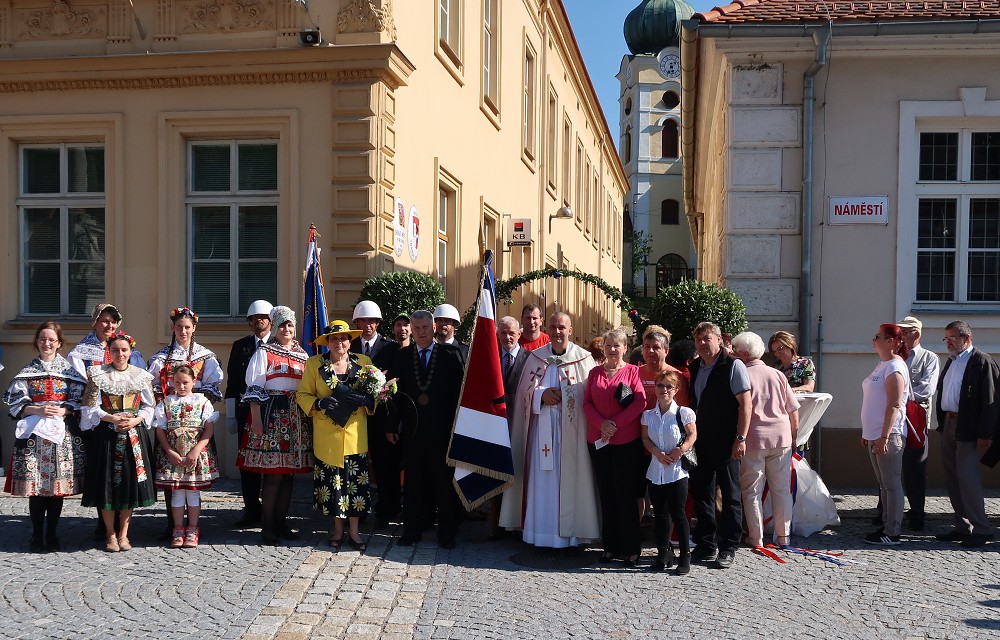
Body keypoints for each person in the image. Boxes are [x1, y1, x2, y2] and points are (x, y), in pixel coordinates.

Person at [500, 312, 599, 548]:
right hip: (539, 433)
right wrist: (540, 395)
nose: (556, 332)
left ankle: (571, 537)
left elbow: (590, 395)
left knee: (570, 481)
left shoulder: (583, 359)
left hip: (571, 437)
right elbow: (524, 393)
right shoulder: (536, 358)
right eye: (553, 327)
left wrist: (565, 394)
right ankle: (538, 532)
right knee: (540, 481)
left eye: (561, 328)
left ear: (570, 330)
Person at [3, 322, 88, 552]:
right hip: (34, 438)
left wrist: (64, 410)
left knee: (56, 488)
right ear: (37, 342)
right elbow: (15, 402)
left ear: (59, 343)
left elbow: (80, 400)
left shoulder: (70, 373)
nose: (47, 343)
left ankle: (52, 533)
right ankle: (37, 534)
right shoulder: (28, 372)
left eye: (52, 339)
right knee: (37, 487)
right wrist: (37, 410)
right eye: (43, 338)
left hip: (61, 437)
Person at [299, 320, 379, 552]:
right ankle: (337, 530)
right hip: (327, 438)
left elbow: (375, 395)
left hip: (355, 436)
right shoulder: (314, 364)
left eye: (343, 338)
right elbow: (302, 395)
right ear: (327, 342)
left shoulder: (364, 363)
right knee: (334, 487)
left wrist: (368, 401)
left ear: (350, 340)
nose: (339, 343)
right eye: (334, 339)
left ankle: (354, 532)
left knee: (354, 488)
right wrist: (319, 402)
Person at [389, 310, 466, 548]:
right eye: (417, 328)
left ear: (434, 328)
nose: (421, 332)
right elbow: (394, 396)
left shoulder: (450, 355)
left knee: (443, 483)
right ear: (411, 330)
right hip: (412, 431)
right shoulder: (402, 357)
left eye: (425, 328)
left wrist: (458, 427)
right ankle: (411, 530)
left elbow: (458, 395)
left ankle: (447, 532)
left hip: (442, 430)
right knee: (413, 483)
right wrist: (392, 425)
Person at [237, 306, 312, 546]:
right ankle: (267, 527)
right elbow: (255, 386)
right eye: (282, 325)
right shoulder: (264, 352)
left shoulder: (303, 355)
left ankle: (281, 523)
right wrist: (256, 418)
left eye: (290, 325)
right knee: (273, 476)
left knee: (288, 475)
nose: (287, 329)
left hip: (296, 417)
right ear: (274, 327)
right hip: (272, 415)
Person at [147, 306, 224, 535]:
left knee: (192, 478)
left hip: (195, 424)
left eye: (187, 327)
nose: (183, 331)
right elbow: (151, 387)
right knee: (170, 477)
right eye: (179, 327)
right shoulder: (162, 357)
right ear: (173, 328)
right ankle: (173, 525)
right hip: (169, 422)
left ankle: (192, 526)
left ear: (194, 329)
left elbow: (212, 386)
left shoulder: (204, 356)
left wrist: (195, 404)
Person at [80, 332, 157, 552]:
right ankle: (110, 534)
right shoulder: (97, 374)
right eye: (115, 350)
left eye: (124, 350)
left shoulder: (141, 375)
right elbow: (89, 408)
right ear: (109, 352)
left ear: (130, 352)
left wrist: (136, 420)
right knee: (107, 482)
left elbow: (149, 407)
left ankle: (124, 534)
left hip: (133, 434)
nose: (120, 354)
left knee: (129, 483)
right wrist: (112, 418)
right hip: (107, 435)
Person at [688, 322, 751, 569]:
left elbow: (746, 405)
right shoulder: (695, 367)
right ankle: (705, 543)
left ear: (718, 339)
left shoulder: (733, 365)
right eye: (698, 340)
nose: (703, 344)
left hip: (727, 441)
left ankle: (728, 546)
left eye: (707, 339)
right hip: (700, 441)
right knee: (702, 493)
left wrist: (741, 437)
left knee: (730, 495)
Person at [731, 332, 800, 549]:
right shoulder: (777, 374)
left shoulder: (740, 375)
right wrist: (794, 437)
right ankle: (783, 536)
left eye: (735, 350)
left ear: (743, 353)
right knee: (781, 489)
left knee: (752, 490)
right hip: (781, 437)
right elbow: (793, 410)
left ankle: (756, 537)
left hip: (753, 439)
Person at [583, 327, 646, 565]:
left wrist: (615, 424)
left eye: (616, 345)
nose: (612, 350)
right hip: (599, 441)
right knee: (606, 494)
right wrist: (601, 425)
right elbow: (587, 403)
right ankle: (610, 545)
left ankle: (631, 547)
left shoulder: (633, 372)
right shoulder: (594, 373)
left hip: (625, 441)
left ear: (625, 348)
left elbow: (639, 401)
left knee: (625, 495)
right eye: (608, 345)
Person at [934, 321, 999, 548]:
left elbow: (991, 401)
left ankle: (982, 528)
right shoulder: (952, 361)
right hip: (949, 424)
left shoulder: (981, 361)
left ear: (966, 339)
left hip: (969, 428)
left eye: (953, 338)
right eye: (947, 338)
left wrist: (985, 433)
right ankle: (963, 525)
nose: (949, 342)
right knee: (953, 477)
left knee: (967, 478)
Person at [873, 316, 939, 531]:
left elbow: (926, 389)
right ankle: (885, 513)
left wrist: (901, 396)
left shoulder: (929, 358)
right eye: (896, 332)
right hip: (892, 421)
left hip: (915, 421)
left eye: (904, 332)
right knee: (888, 471)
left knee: (915, 467)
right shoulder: (889, 358)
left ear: (916, 334)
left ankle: (917, 513)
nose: (898, 336)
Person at [154, 365, 220, 549]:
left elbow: (208, 430)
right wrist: (169, 451)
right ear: (172, 382)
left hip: (194, 454)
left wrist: (197, 450)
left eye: (185, 382)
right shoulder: (166, 403)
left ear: (194, 382)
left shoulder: (203, 402)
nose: (181, 386)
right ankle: (177, 528)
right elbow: (160, 430)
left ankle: (192, 528)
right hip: (173, 453)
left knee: (192, 492)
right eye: (177, 383)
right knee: (176, 493)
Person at [350, 300, 402, 528]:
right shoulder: (348, 346)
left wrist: (392, 425)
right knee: (356, 465)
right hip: (354, 418)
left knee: (385, 466)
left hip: (381, 419)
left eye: (373, 321)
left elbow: (395, 389)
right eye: (364, 321)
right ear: (357, 322)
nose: (368, 325)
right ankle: (357, 510)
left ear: (379, 324)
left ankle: (387, 509)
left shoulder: (391, 348)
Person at [641, 371, 696, 574]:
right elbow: (645, 438)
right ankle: (663, 553)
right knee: (661, 516)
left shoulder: (684, 413)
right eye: (660, 386)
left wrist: (680, 450)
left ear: (676, 390)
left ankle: (684, 555)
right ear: (655, 388)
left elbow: (692, 434)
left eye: (669, 387)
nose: (664, 390)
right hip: (656, 470)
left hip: (677, 471)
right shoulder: (647, 415)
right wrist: (655, 452)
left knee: (678, 514)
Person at [225, 299, 272, 528]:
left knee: (274, 465)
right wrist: (231, 414)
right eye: (255, 318)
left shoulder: (281, 344)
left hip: (274, 413)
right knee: (248, 465)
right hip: (246, 412)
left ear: (271, 320)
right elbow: (233, 383)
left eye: (263, 317)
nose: (259, 320)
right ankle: (252, 510)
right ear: (250, 321)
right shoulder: (240, 346)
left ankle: (274, 512)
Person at [861, 324, 910, 546]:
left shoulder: (894, 367)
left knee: (892, 483)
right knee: (883, 483)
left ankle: (893, 531)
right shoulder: (882, 365)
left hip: (889, 434)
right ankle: (886, 524)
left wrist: (884, 436)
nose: (874, 340)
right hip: (875, 433)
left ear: (892, 341)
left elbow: (894, 404)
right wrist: (868, 432)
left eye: (877, 336)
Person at [491, 315, 530, 538]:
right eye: (503, 333)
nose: (507, 337)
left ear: (519, 333)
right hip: (496, 425)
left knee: (519, 474)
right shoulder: (492, 357)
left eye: (511, 333)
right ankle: (496, 524)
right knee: (497, 473)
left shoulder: (530, 359)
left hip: (520, 425)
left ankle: (518, 521)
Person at [67, 303, 146, 379]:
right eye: (105, 322)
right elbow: (78, 381)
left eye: (114, 322)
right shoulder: (81, 352)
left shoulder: (124, 345)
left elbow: (138, 374)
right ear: (95, 322)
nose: (110, 326)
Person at [638, 325, 690, 409]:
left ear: (666, 351)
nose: (650, 351)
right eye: (647, 347)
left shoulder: (677, 376)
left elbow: (682, 411)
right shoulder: (634, 373)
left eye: (656, 347)